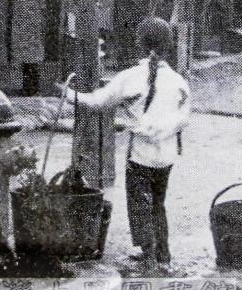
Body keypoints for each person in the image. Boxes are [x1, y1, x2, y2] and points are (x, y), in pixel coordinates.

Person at [62, 17, 191, 270]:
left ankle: (149, 253)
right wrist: (158, 128)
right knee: (157, 202)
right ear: (167, 47)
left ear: (141, 45)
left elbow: (97, 101)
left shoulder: (131, 77)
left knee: (139, 202)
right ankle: (162, 254)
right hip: (166, 155)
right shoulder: (179, 81)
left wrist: (68, 95)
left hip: (140, 154)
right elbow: (183, 118)